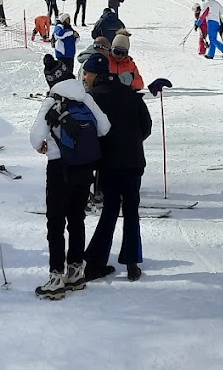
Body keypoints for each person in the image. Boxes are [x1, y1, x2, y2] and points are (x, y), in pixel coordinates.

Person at [31, 55, 111, 299]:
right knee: (77, 218)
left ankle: (56, 276)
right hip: (85, 167)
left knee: (55, 223)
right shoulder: (85, 96)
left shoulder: (52, 100)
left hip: (59, 167)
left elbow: (35, 138)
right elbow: (105, 127)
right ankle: (76, 272)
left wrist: (44, 144)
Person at [82, 54, 152, 283]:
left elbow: (90, 131)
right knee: (131, 210)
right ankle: (132, 263)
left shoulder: (93, 98)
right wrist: (132, 142)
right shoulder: (130, 93)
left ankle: (94, 262)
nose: (84, 78)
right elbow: (146, 126)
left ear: (95, 75)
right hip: (133, 162)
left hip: (108, 163)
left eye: (87, 73)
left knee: (110, 210)